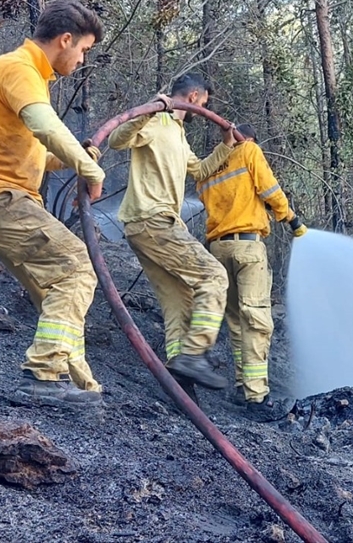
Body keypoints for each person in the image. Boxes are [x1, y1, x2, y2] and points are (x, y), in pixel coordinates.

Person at [0, 0, 107, 408]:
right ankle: (44, 376)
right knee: (76, 265)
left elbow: (35, 151)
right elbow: (45, 126)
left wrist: (73, 156)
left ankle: (78, 385)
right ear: (65, 39)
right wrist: (89, 168)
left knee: (57, 285)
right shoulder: (19, 68)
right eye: (84, 49)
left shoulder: (29, 76)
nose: (82, 58)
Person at [108, 73, 238, 391]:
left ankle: (180, 386)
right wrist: (150, 109)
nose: (202, 110)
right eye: (204, 103)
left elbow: (200, 170)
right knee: (214, 276)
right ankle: (193, 356)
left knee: (179, 301)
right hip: (152, 221)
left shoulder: (179, 134)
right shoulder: (156, 121)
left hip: (154, 226)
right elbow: (115, 140)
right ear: (193, 97)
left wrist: (226, 147)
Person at [196, 124, 307, 421]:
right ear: (248, 139)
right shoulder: (249, 151)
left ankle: (242, 387)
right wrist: (289, 218)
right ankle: (256, 397)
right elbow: (269, 188)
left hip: (218, 250)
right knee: (256, 320)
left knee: (234, 319)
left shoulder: (209, 168)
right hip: (247, 247)